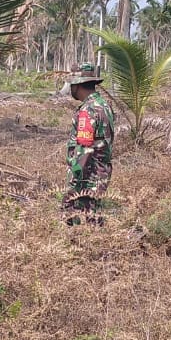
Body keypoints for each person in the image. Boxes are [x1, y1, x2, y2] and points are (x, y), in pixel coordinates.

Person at [63, 63, 115, 226]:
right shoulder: (104, 105)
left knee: (77, 219)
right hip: (100, 173)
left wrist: (75, 181)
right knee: (93, 216)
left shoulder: (88, 110)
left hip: (87, 175)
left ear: (78, 85)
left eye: (72, 85)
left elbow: (84, 148)